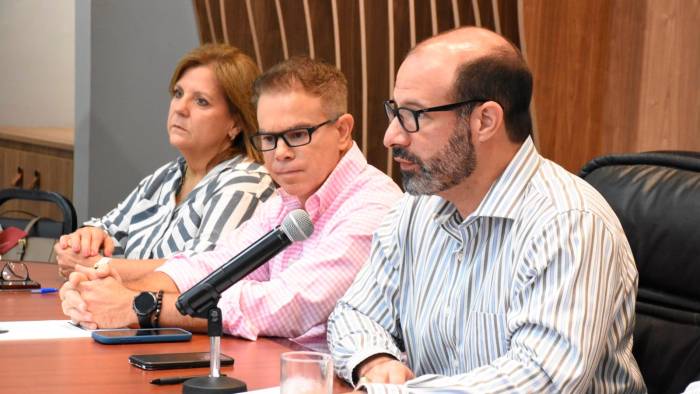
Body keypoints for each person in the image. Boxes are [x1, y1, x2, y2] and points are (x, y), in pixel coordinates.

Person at [327, 27, 646, 393]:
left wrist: (396, 392)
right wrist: (375, 360)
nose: (391, 136)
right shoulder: (417, 208)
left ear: (485, 121)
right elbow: (354, 313)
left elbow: (541, 378)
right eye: (395, 111)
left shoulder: (568, 223)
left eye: (414, 115)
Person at [59, 56, 403, 343]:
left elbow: (287, 306)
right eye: (269, 138)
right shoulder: (286, 202)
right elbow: (213, 265)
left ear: (342, 131)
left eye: (297, 135)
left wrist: (139, 306)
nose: (280, 153)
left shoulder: (372, 204)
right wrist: (105, 288)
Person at [55, 44, 275, 280]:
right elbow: (107, 229)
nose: (180, 108)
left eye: (201, 101)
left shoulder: (246, 183)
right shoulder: (167, 176)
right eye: (178, 94)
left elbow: (198, 273)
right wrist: (84, 240)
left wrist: (99, 266)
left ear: (236, 123)